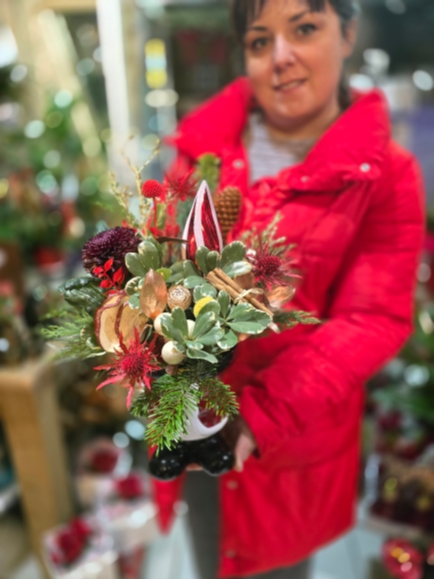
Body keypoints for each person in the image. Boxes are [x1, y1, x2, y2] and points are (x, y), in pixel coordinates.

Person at [152, 1, 425, 578]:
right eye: (258, 41)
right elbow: (159, 272)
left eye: (304, 29)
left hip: (288, 438)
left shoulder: (386, 173)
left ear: (347, 33)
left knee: (275, 564)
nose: (280, 57)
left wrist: (255, 418)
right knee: (206, 551)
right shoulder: (202, 147)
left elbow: (373, 317)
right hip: (188, 417)